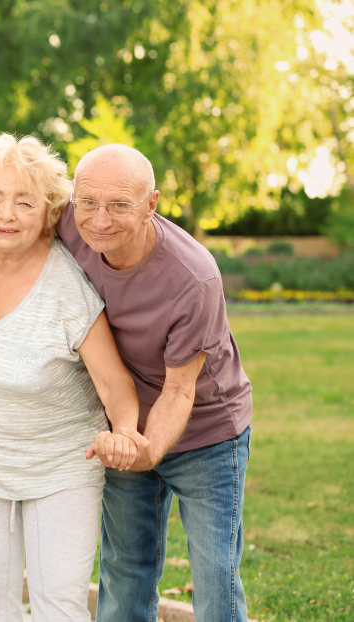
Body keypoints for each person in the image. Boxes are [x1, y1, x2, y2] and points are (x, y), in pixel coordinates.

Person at [0, 133, 145, 622]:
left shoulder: (66, 285)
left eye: (24, 202)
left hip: (61, 467)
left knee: (59, 605)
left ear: (49, 210)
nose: (7, 215)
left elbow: (115, 383)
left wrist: (127, 433)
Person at [58, 143, 253, 622]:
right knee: (125, 572)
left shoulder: (193, 277)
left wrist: (147, 450)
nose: (99, 219)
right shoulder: (71, 217)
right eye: (88, 202)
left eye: (120, 205)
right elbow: (0, 178)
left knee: (215, 578)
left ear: (151, 204)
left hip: (207, 433)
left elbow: (180, 390)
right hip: (125, 425)